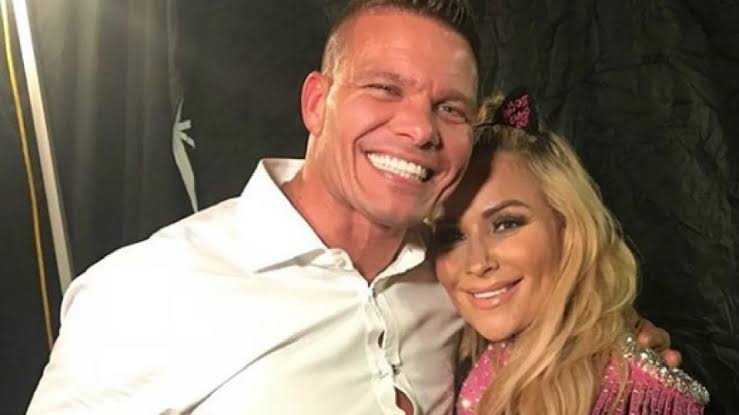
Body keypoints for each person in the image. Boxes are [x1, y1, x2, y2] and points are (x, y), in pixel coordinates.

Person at [27, 2, 674, 414]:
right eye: (384, 88)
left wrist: (621, 351)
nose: (418, 128)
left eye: (449, 107)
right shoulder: (144, 290)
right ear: (317, 102)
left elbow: (556, 319)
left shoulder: (452, 279)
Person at [432, 89, 709, 415]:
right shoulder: (482, 354)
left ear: (568, 227)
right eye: (452, 235)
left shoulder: (639, 395)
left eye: (505, 224)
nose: (478, 263)